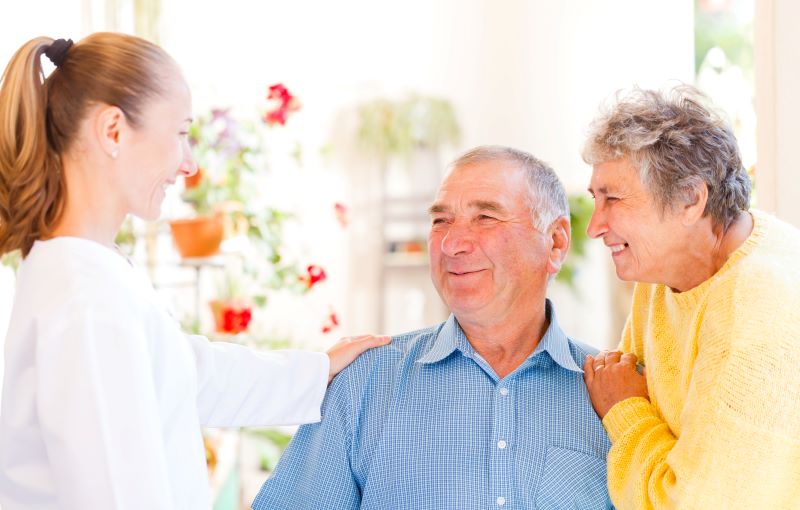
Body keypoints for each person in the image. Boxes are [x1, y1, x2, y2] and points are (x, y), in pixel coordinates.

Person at [0, 33, 389, 509]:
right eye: (181, 133)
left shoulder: (91, 273)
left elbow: (185, 374)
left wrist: (317, 370)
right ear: (113, 131)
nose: (189, 164)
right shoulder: (87, 299)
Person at [253, 146, 613, 509]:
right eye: (441, 221)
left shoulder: (617, 397)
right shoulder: (363, 382)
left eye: (485, 217)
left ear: (555, 242)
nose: (452, 243)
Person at [581, 85, 800, 508]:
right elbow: (627, 382)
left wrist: (623, 410)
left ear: (690, 199)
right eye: (595, 199)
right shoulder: (666, 270)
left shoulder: (758, 308)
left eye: (614, 199)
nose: (594, 226)